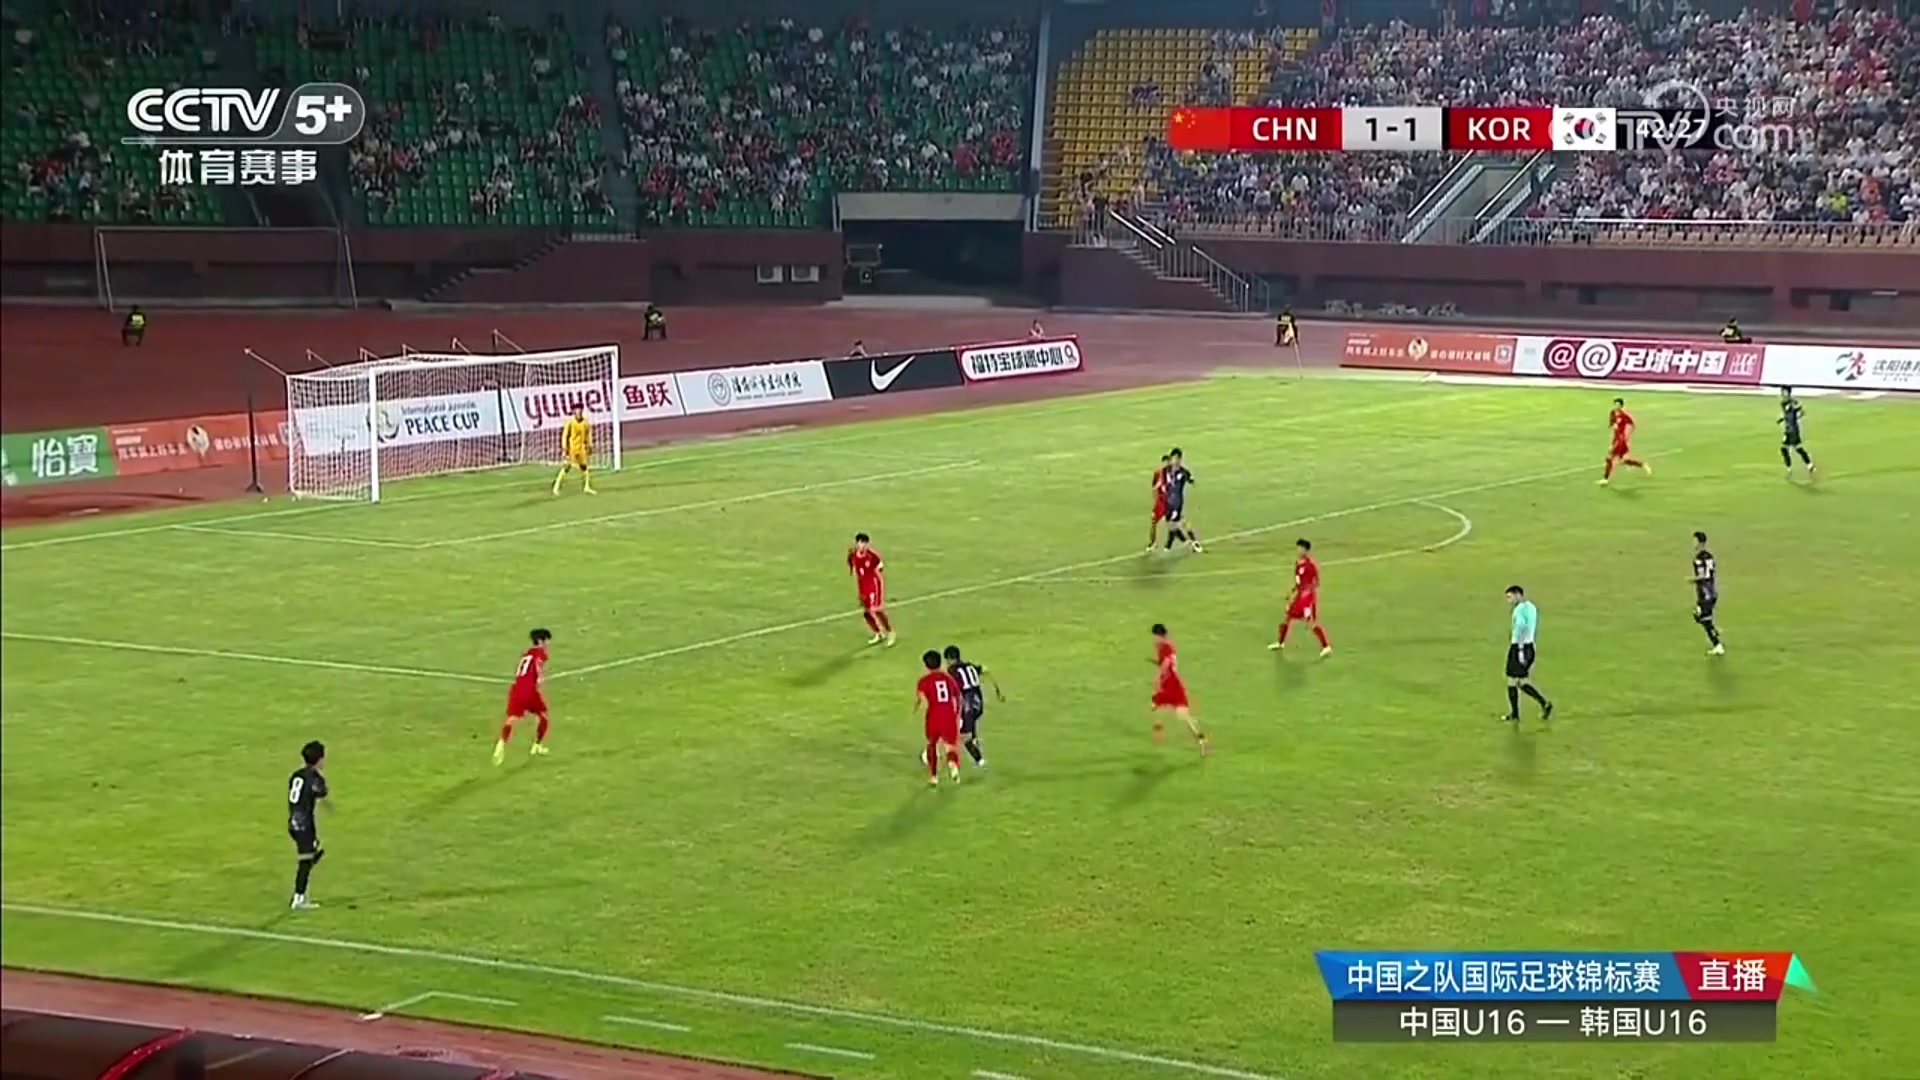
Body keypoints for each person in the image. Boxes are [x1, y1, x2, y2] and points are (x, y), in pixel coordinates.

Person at [495, 628, 554, 764]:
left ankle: (501, 743)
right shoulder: (540, 653)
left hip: (516, 689)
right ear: (540, 641)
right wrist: (539, 678)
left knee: (511, 719)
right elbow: (538, 665)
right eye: (546, 641)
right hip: (529, 690)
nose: (548, 645)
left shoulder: (526, 654)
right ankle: (537, 745)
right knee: (543, 715)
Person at [1150, 623, 1211, 753]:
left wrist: (1158, 678)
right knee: (1182, 715)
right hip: (1173, 685)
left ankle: (1159, 727)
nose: (1154, 639)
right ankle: (1202, 740)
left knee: (1160, 705)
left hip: (1171, 686)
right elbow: (1168, 663)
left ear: (1159, 636)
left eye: (1154, 636)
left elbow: (1166, 665)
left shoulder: (1165, 647)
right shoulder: (1167, 647)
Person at [286, 739, 329, 910]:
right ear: (319, 759)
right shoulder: (315, 778)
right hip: (305, 824)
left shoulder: (296, 775)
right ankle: (299, 898)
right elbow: (321, 792)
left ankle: (312, 856)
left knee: (311, 852)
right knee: (305, 859)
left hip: (293, 821)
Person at [1271, 537, 1332, 656]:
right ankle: (1280, 643)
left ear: (1306, 550)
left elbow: (1316, 582)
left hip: (1308, 598)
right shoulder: (1298, 564)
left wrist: (1308, 592)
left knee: (1311, 622)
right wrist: (1291, 592)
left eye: (1301, 548)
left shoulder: (1310, 565)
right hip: (1299, 597)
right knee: (1287, 618)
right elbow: (1298, 582)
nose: (1298, 550)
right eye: (1297, 548)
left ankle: (1326, 646)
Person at [944, 644, 1003, 767]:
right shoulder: (970, 666)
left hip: (968, 705)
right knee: (969, 726)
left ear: (949, 659)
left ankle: (980, 761)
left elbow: (953, 690)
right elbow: (986, 669)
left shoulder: (952, 671)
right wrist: (998, 690)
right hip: (979, 703)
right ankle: (974, 740)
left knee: (964, 737)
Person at [1503, 587, 1553, 724]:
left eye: (1510, 597)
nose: (1509, 601)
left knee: (1512, 681)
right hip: (1530, 646)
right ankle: (1543, 704)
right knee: (1519, 681)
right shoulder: (1531, 607)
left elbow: (1520, 627)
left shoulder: (1519, 610)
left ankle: (1516, 714)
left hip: (1519, 647)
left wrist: (1519, 650)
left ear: (1518, 595)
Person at [917, 651, 963, 786]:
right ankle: (953, 765)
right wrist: (956, 713)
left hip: (933, 716)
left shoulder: (923, 681)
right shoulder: (948, 679)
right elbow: (958, 697)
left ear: (926, 665)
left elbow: (923, 701)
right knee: (950, 747)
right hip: (948, 715)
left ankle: (934, 777)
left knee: (932, 745)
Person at [847, 532, 895, 646]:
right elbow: (851, 564)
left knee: (877, 609)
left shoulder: (872, 556)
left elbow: (880, 566)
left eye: (864, 543)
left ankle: (890, 632)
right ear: (857, 543)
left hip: (873, 585)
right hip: (862, 586)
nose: (862, 545)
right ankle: (878, 633)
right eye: (860, 542)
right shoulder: (853, 554)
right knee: (866, 612)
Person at [1160, 448, 1203, 552]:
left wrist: (1191, 481)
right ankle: (1184, 541)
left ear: (1179, 459)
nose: (1175, 461)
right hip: (1168, 502)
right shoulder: (1166, 470)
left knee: (1180, 522)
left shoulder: (1183, 472)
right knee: (1171, 525)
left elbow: (1190, 479)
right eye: (1173, 459)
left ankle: (1194, 542)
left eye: (1176, 459)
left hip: (1177, 502)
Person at [1600, 397, 1651, 485]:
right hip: (1616, 439)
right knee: (1624, 460)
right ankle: (1643, 465)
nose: (1616, 406)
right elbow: (1612, 423)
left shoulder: (1624, 415)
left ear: (1621, 406)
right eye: (1615, 404)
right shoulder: (1612, 413)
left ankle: (1605, 479)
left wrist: (1627, 434)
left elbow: (1632, 424)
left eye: (1618, 405)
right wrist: (1613, 426)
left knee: (1609, 458)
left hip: (1621, 440)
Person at [1691, 531, 1724, 655]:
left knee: (1704, 619)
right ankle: (1714, 631)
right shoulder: (1709, 556)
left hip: (1705, 593)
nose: (1693, 544)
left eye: (1695, 541)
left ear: (1700, 543)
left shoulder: (1698, 559)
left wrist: (1692, 580)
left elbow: (1702, 576)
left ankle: (1717, 645)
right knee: (1699, 616)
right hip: (1712, 591)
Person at [553, 407, 596, 496]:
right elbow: (565, 436)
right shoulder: (570, 422)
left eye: (580, 411)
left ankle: (587, 487)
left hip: (581, 449)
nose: (579, 413)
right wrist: (564, 448)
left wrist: (589, 445)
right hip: (572, 448)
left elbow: (588, 435)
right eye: (577, 411)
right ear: (574, 412)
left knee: (584, 467)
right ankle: (556, 486)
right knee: (567, 467)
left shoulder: (585, 423)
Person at [1778, 387, 1817, 481]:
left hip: (1794, 430)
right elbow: (1786, 414)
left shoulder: (1793, 402)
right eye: (1782, 392)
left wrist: (1797, 414)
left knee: (1796, 448)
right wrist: (1782, 419)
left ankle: (1808, 466)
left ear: (1788, 392)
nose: (1782, 393)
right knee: (1785, 449)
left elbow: (1801, 411)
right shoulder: (1783, 403)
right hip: (1788, 429)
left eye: (1784, 391)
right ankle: (1792, 468)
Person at [1146, 453, 1172, 551]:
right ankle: (1153, 543)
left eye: (1168, 462)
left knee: (1176, 522)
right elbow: (1154, 486)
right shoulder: (1158, 472)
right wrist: (1156, 498)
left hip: (1169, 501)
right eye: (1165, 462)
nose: (1166, 464)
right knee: (1153, 521)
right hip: (1161, 501)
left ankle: (1189, 540)